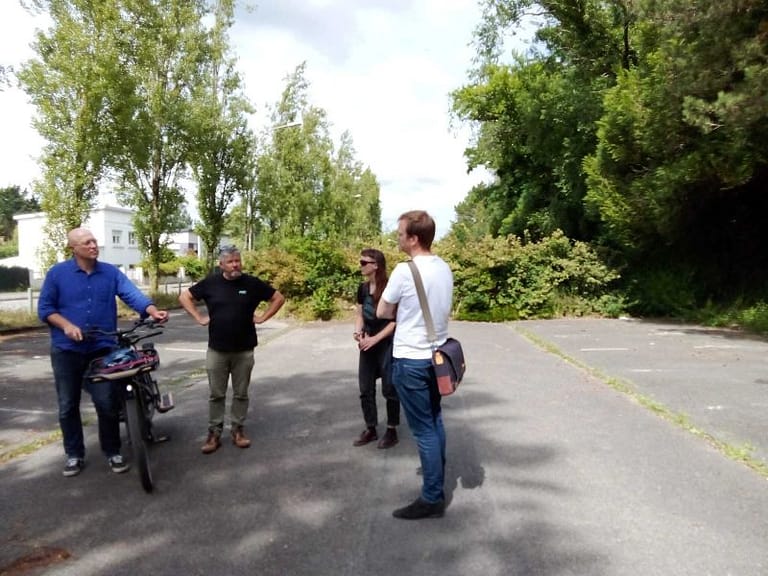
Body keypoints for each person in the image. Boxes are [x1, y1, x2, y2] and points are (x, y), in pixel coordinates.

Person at [37, 227, 169, 478]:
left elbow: (132, 294)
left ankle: (113, 451)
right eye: (86, 242)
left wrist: (151, 310)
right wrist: (66, 326)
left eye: (94, 241)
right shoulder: (57, 274)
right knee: (67, 405)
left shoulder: (110, 273)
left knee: (107, 402)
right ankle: (74, 454)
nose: (93, 245)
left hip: (102, 349)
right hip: (67, 351)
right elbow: (45, 309)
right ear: (73, 248)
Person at [377, 210, 453, 520]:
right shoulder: (444, 267)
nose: (397, 238)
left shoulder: (404, 271)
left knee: (423, 429)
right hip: (437, 358)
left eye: (400, 234)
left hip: (411, 359)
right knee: (434, 420)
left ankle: (432, 497)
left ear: (414, 238)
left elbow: (383, 310)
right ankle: (437, 476)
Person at [178, 245, 285, 454]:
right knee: (216, 394)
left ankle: (237, 430)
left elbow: (278, 298)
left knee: (241, 393)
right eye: (231, 261)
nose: (235, 265)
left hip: (244, 350)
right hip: (217, 350)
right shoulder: (211, 283)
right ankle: (214, 433)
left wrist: (263, 317)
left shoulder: (251, 283)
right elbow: (184, 297)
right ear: (221, 264)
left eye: (238, 260)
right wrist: (199, 318)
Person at [352, 248, 400, 449]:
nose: (361, 265)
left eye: (364, 262)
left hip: (386, 343)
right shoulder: (362, 288)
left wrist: (376, 339)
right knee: (365, 389)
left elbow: (395, 321)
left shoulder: (390, 288)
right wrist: (358, 332)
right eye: (360, 262)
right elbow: (360, 314)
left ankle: (391, 430)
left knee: (389, 388)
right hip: (368, 343)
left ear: (376, 265)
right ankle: (371, 428)